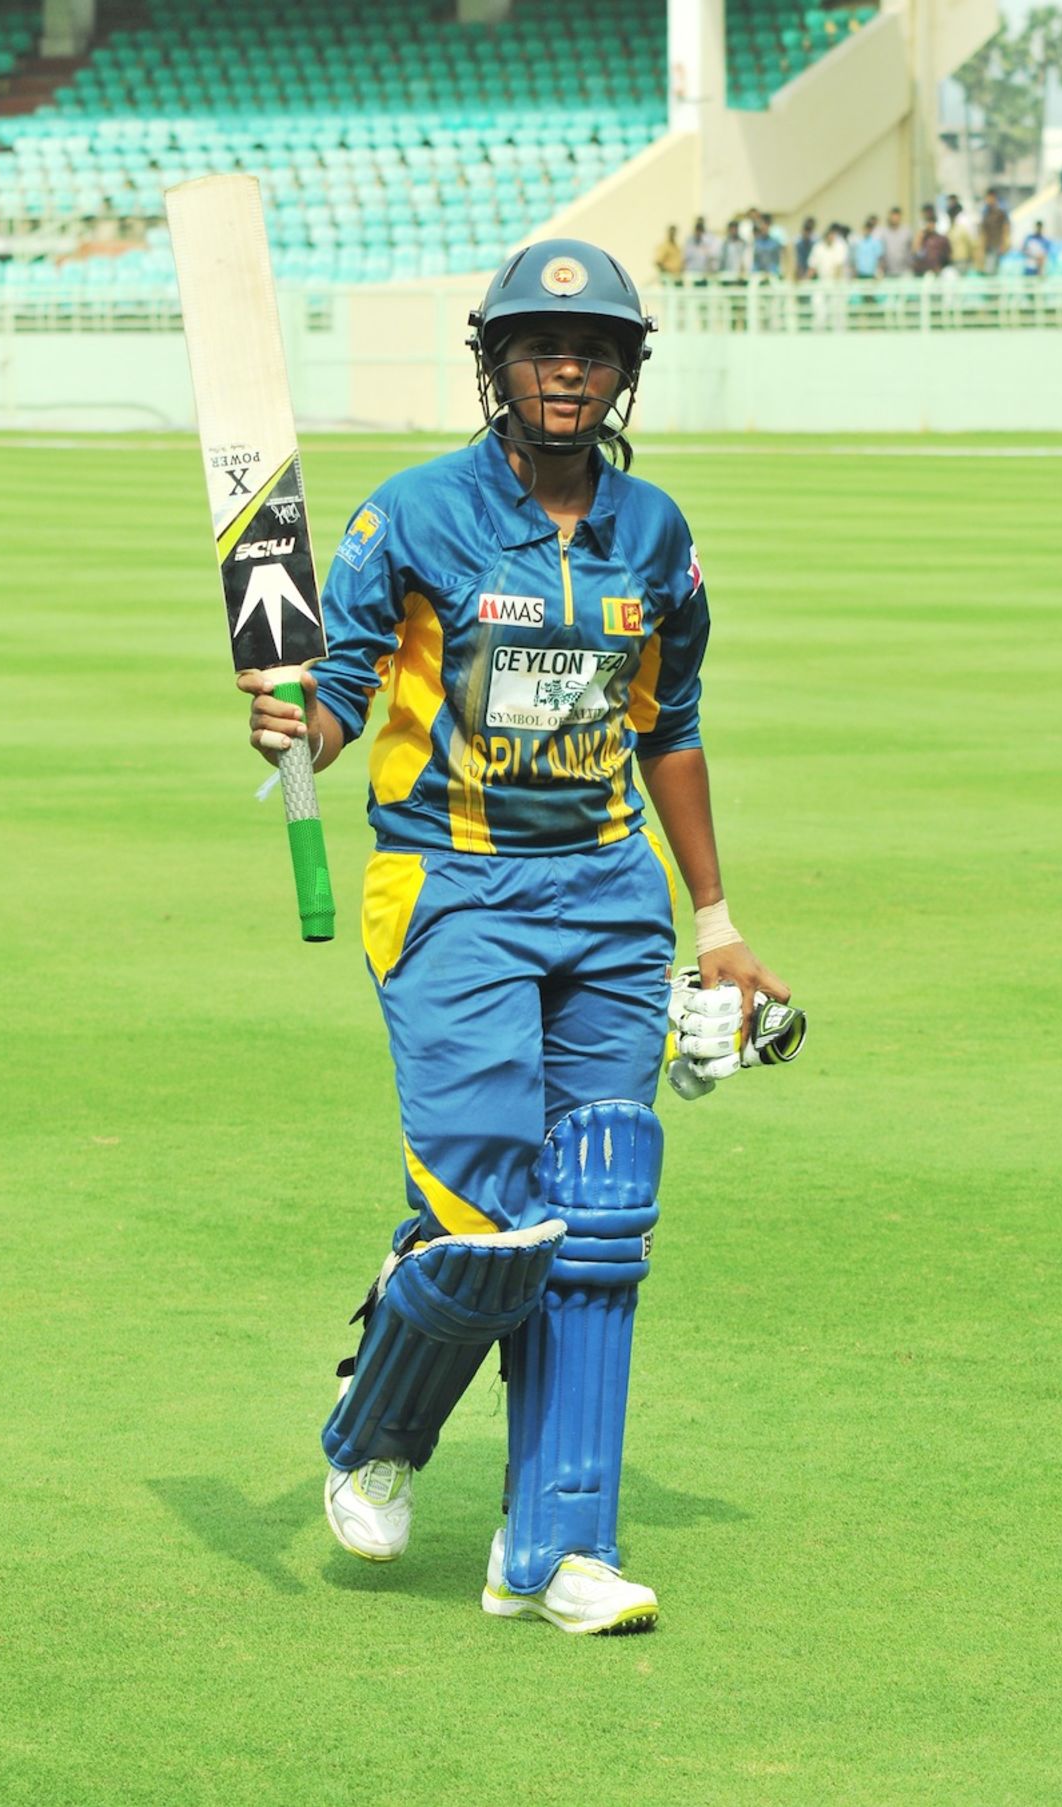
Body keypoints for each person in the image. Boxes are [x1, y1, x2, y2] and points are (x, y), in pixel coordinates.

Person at [239, 237, 791, 1636]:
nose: (567, 369)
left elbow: (671, 723)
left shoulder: (655, 532)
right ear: (495, 362)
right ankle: (379, 1424)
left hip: (608, 894)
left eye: (592, 349)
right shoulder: (412, 516)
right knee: (489, 1210)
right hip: (452, 890)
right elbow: (342, 686)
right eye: (542, 346)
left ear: (623, 373)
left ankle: (557, 1551)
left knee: (600, 1210)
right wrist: (296, 722)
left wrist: (715, 922)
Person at [912, 202, 952, 276]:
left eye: (932, 221)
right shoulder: (921, 237)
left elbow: (947, 257)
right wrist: (919, 238)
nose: (930, 224)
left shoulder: (941, 239)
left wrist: (940, 267)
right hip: (922, 273)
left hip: (938, 273)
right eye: (927, 221)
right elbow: (915, 254)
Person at [944, 194, 978, 274]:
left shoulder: (963, 223)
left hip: (962, 259)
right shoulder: (950, 228)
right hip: (953, 259)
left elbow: (971, 242)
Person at [980, 188, 1010, 274]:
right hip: (989, 245)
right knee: (989, 269)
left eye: (989, 198)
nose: (987, 200)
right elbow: (983, 230)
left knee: (995, 269)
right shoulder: (985, 212)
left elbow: (1006, 228)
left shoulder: (1001, 212)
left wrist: (1004, 243)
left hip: (998, 244)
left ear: (994, 197)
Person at [877, 205, 913, 277]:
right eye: (893, 216)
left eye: (897, 216)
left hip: (904, 271)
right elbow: (880, 252)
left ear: (900, 217)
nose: (895, 218)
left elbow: (911, 249)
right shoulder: (883, 232)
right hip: (888, 272)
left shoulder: (907, 231)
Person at [851, 214, 884, 280]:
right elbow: (854, 259)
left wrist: (879, 273)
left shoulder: (876, 242)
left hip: (872, 274)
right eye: (866, 228)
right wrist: (854, 273)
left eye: (869, 229)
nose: (867, 230)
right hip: (860, 274)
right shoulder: (858, 242)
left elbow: (880, 259)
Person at [793, 216, 818, 281]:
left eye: (809, 231)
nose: (807, 234)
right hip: (801, 271)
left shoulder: (815, 243)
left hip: (812, 272)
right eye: (806, 231)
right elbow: (799, 261)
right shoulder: (798, 243)